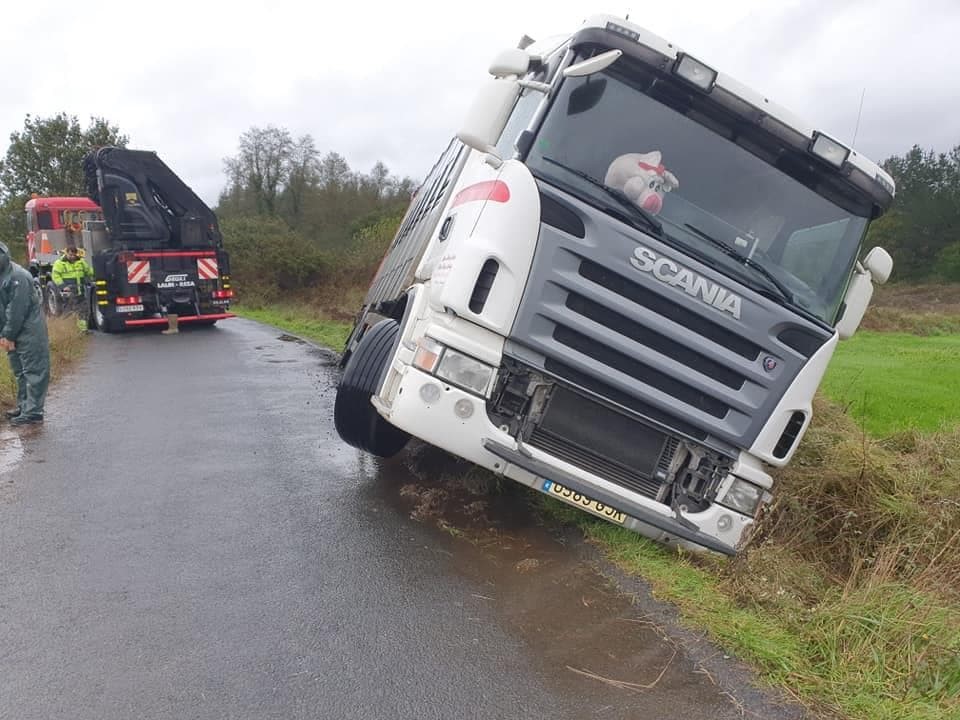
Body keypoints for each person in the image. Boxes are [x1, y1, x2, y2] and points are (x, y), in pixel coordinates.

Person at [0, 241, 50, 426]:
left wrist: (8, 335)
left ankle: (34, 411)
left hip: (28, 330)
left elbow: (16, 311)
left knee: (34, 370)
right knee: (19, 371)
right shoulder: (2, 275)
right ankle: (24, 405)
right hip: (11, 332)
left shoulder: (18, 276)